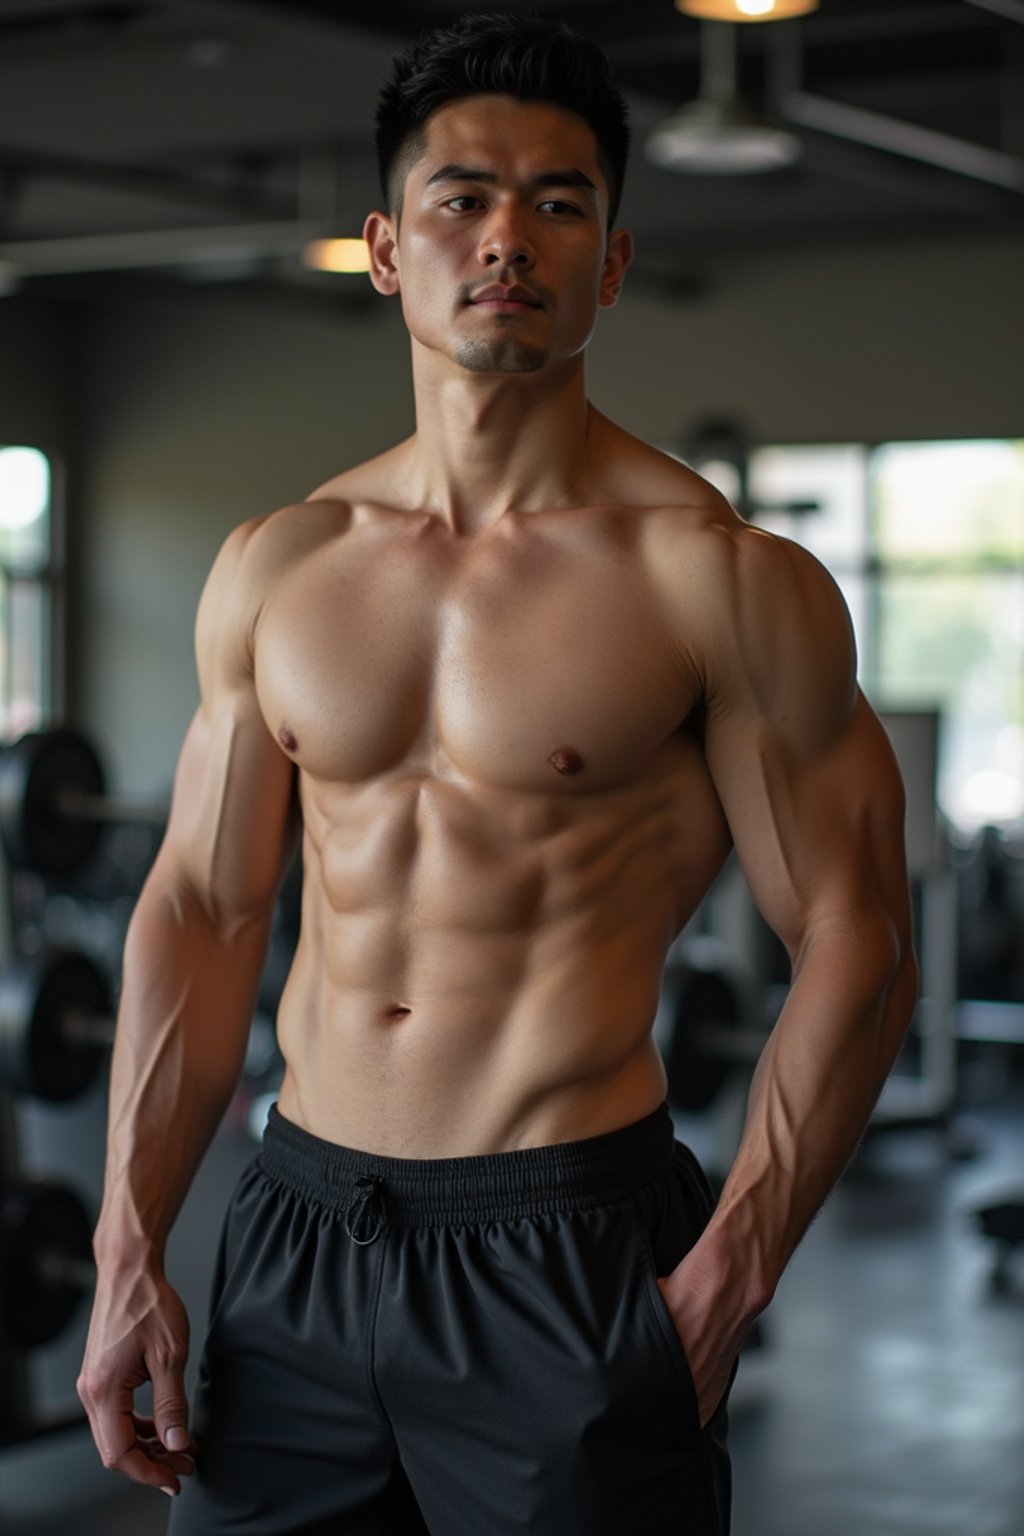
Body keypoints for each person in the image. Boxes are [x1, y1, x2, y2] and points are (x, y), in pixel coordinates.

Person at [77, 14, 917, 1535]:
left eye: (560, 200)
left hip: (567, 1249)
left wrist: (731, 1274)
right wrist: (130, 1248)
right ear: (388, 248)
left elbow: (858, 935)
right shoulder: (278, 566)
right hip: (296, 1227)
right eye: (464, 197)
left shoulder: (716, 578)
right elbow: (200, 909)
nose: (508, 236)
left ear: (614, 258)